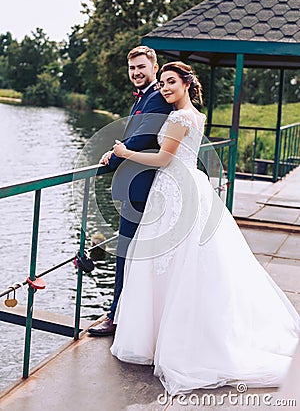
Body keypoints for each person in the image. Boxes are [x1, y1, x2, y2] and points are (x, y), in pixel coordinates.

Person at [110, 61, 300, 395]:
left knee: (169, 262)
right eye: (163, 83)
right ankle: (175, 332)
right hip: (187, 187)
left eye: (171, 82)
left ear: (186, 84)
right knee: (183, 263)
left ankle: (168, 340)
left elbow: (163, 159)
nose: (165, 88)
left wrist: (124, 152)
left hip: (174, 188)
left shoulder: (179, 118)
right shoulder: (197, 115)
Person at [88, 46, 173, 337]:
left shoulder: (157, 97)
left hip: (143, 187)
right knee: (135, 254)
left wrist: (113, 157)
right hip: (140, 183)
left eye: (141, 67)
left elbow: (144, 138)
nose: (136, 72)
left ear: (154, 67)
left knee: (127, 253)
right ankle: (131, 315)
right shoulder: (145, 97)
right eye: (132, 68)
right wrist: (115, 153)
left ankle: (114, 317)